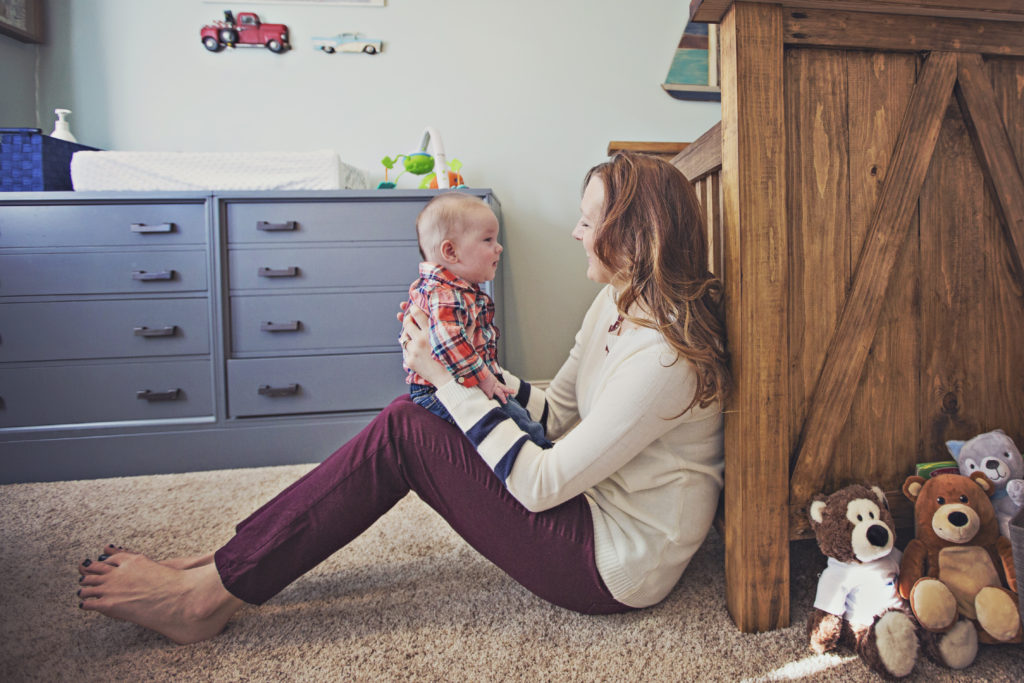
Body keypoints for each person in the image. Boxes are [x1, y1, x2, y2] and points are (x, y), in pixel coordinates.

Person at [75, 152, 730, 645]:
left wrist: (450, 379)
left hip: (611, 564)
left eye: (588, 221)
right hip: (589, 503)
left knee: (406, 427)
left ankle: (207, 592)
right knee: (411, 416)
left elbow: (541, 483)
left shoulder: (663, 351)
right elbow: (557, 406)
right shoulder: (620, 301)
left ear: (632, 232)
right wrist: (476, 370)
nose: (576, 233)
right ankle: (229, 563)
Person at [406, 192, 551, 447]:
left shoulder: (457, 289)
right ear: (450, 251)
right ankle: (542, 455)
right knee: (514, 422)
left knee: (516, 411)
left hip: (466, 378)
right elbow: (448, 342)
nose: (499, 247)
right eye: (488, 240)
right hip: (442, 388)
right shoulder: (445, 293)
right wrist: (485, 378)